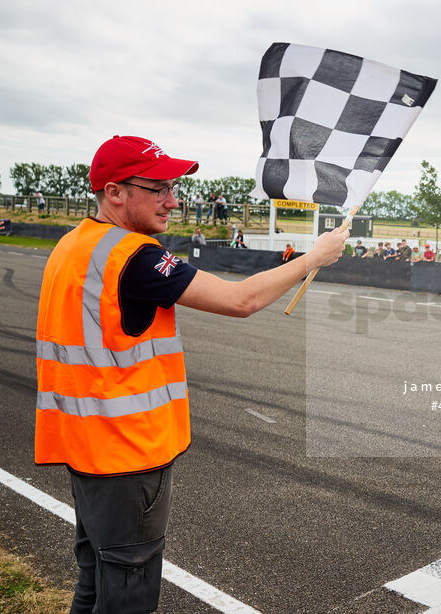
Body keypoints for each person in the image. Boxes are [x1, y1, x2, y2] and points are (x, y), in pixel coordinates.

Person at [34, 135, 347, 613]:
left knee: (95, 583)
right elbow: (240, 300)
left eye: (173, 187)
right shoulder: (132, 256)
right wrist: (313, 258)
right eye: (158, 187)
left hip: (87, 446)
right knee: (127, 597)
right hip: (127, 452)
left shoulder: (73, 244)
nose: (173, 200)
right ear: (115, 192)